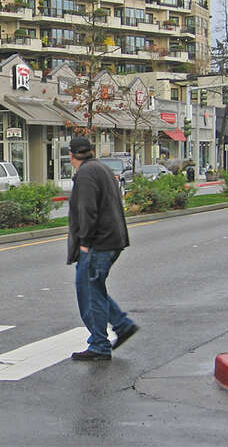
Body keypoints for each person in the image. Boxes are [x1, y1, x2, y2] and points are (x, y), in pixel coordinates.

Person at [67, 136, 139, 361]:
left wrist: (85, 243)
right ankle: (121, 324)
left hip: (98, 243)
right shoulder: (102, 168)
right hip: (111, 239)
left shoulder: (86, 174)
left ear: (71, 155)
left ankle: (99, 344)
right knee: (94, 288)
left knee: (88, 292)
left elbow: (87, 210)